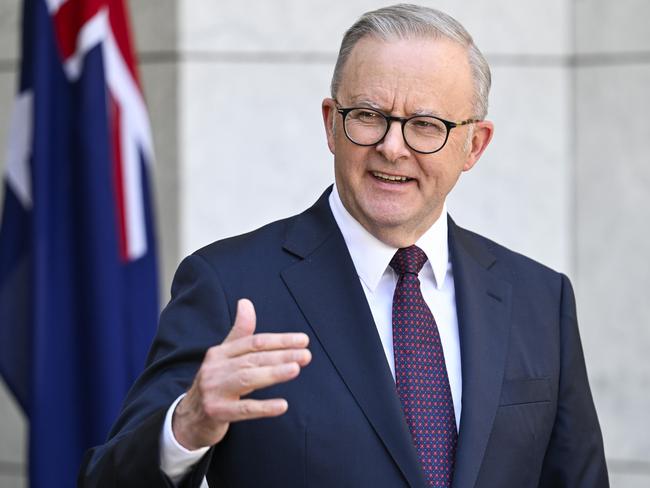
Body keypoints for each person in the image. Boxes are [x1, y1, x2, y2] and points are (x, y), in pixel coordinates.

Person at [79, 4, 608, 487]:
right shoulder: (229, 285)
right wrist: (188, 424)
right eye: (369, 116)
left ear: (475, 145)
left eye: (426, 125)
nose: (392, 147)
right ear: (332, 124)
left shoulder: (541, 299)